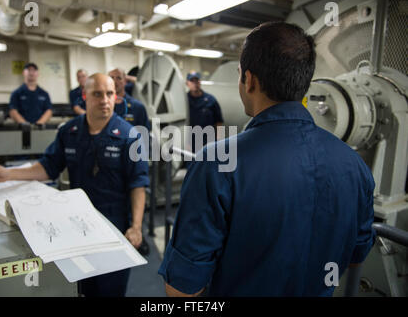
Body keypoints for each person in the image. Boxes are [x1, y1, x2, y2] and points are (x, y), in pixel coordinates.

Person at [158, 22, 376, 296]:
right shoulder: (355, 166)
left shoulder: (217, 163)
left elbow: (182, 289)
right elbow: (357, 254)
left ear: (249, 80)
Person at [0, 73, 149, 297]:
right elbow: (48, 167)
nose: (105, 100)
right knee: (82, 286)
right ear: (84, 96)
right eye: (97, 94)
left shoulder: (130, 136)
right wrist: (7, 174)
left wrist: (136, 226)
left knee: (110, 288)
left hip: (115, 225)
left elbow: (138, 184)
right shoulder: (69, 132)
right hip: (77, 224)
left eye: (109, 94)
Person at [109, 67, 151, 256]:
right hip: (111, 163)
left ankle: (137, 235)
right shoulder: (106, 105)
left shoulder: (137, 107)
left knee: (136, 199)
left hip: (133, 161)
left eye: (119, 78)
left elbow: (145, 134)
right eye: (112, 78)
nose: (116, 81)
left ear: (125, 81)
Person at [186, 71, 224, 152]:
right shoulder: (184, 100)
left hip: (208, 142)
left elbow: (219, 121)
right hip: (189, 144)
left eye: (197, 80)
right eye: (192, 81)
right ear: (187, 83)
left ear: (200, 82)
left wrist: (219, 140)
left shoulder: (210, 99)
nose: (195, 83)